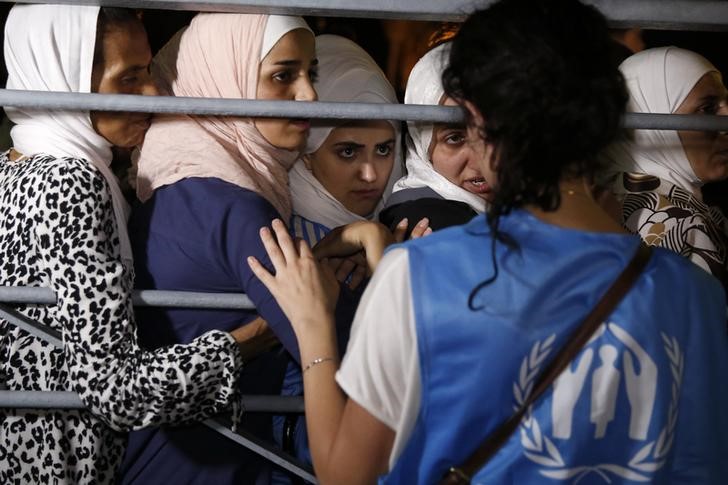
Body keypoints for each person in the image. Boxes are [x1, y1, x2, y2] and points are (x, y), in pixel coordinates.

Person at [248, 0, 728, 483]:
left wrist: (313, 327)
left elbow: (345, 476)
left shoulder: (417, 273)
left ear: (476, 119)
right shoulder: (696, 295)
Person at [0, 5, 273, 484]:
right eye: (128, 79)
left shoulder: (12, 165)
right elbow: (115, 391)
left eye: (149, 72)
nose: (153, 94)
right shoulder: (73, 182)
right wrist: (254, 336)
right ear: (63, 81)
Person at [121, 13, 319, 484]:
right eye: (282, 76)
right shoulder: (234, 205)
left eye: (312, 74)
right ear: (220, 76)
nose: (310, 96)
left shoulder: (176, 178)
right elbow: (333, 353)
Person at [601, 47, 728, 291]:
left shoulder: (613, 199)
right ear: (650, 122)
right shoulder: (675, 224)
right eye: (708, 108)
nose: (725, 122)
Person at [290, 34, 402, 247]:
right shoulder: (283, 246)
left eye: (383, 150)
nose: (370, 176)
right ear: (305, 153)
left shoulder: (407, 231)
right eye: (348, 152)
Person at [379, 42, 491, 238]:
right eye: (455, 138)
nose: (480, 158)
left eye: (491, 132)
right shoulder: (430, 221)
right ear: (421, 142)